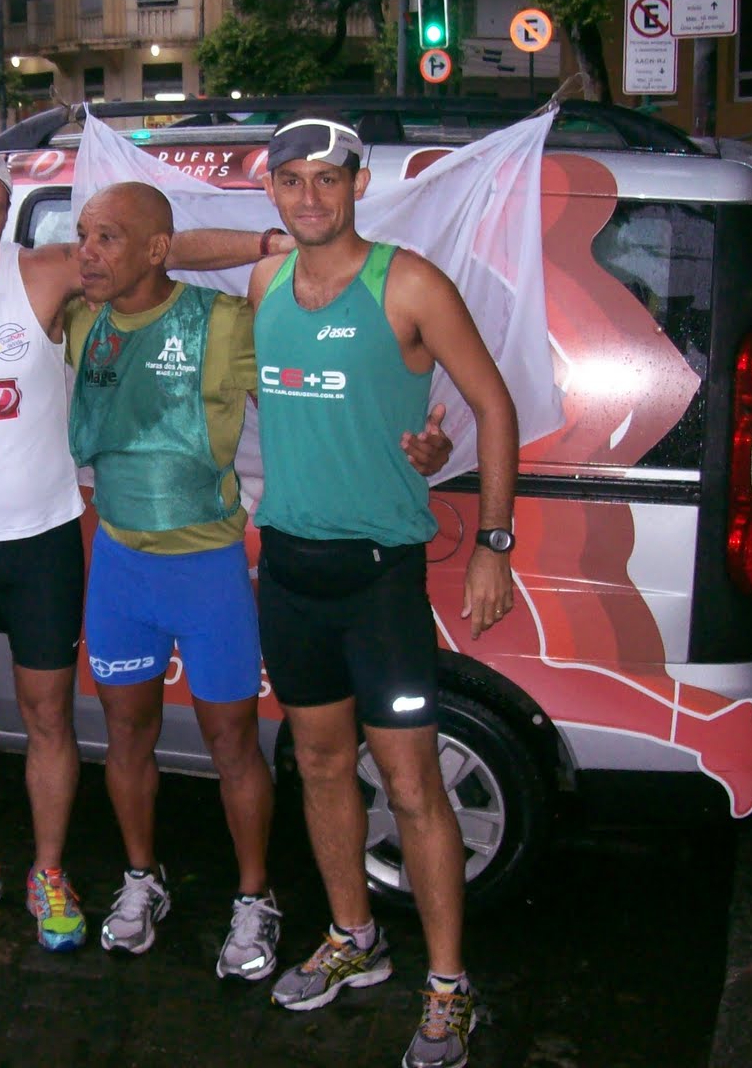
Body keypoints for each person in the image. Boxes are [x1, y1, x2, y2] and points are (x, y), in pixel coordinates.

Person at [0, 142, 281, 953]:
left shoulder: (48, 274)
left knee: (54, 718)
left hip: (45, 538)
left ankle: (51, 870)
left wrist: (270, 241)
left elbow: (162, 249)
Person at [65, 181, 451, 979]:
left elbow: (326, 379)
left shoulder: (226, 321)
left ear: (156, 248)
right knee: (125, 735)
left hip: (208, 567)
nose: (86, 252)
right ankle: (141, 877)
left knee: (234, 744)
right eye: (83, 235)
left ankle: (254, 894)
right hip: (120, 568)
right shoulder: (76, 317)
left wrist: (273, 244)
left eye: (107, 238)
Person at [249, 115, 518, 1068]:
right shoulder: (265, 282)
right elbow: (166, 245)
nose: (311, 195)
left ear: (359, 184)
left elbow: (493, 403)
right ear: (272, 189)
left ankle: (448, 986)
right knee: (321, 766)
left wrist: (493, 543)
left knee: (411, 784)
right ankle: (353, 937)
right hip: (289, 568)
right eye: (293, 179)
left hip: (378, 581)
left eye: (329, 178)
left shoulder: (407, 283)